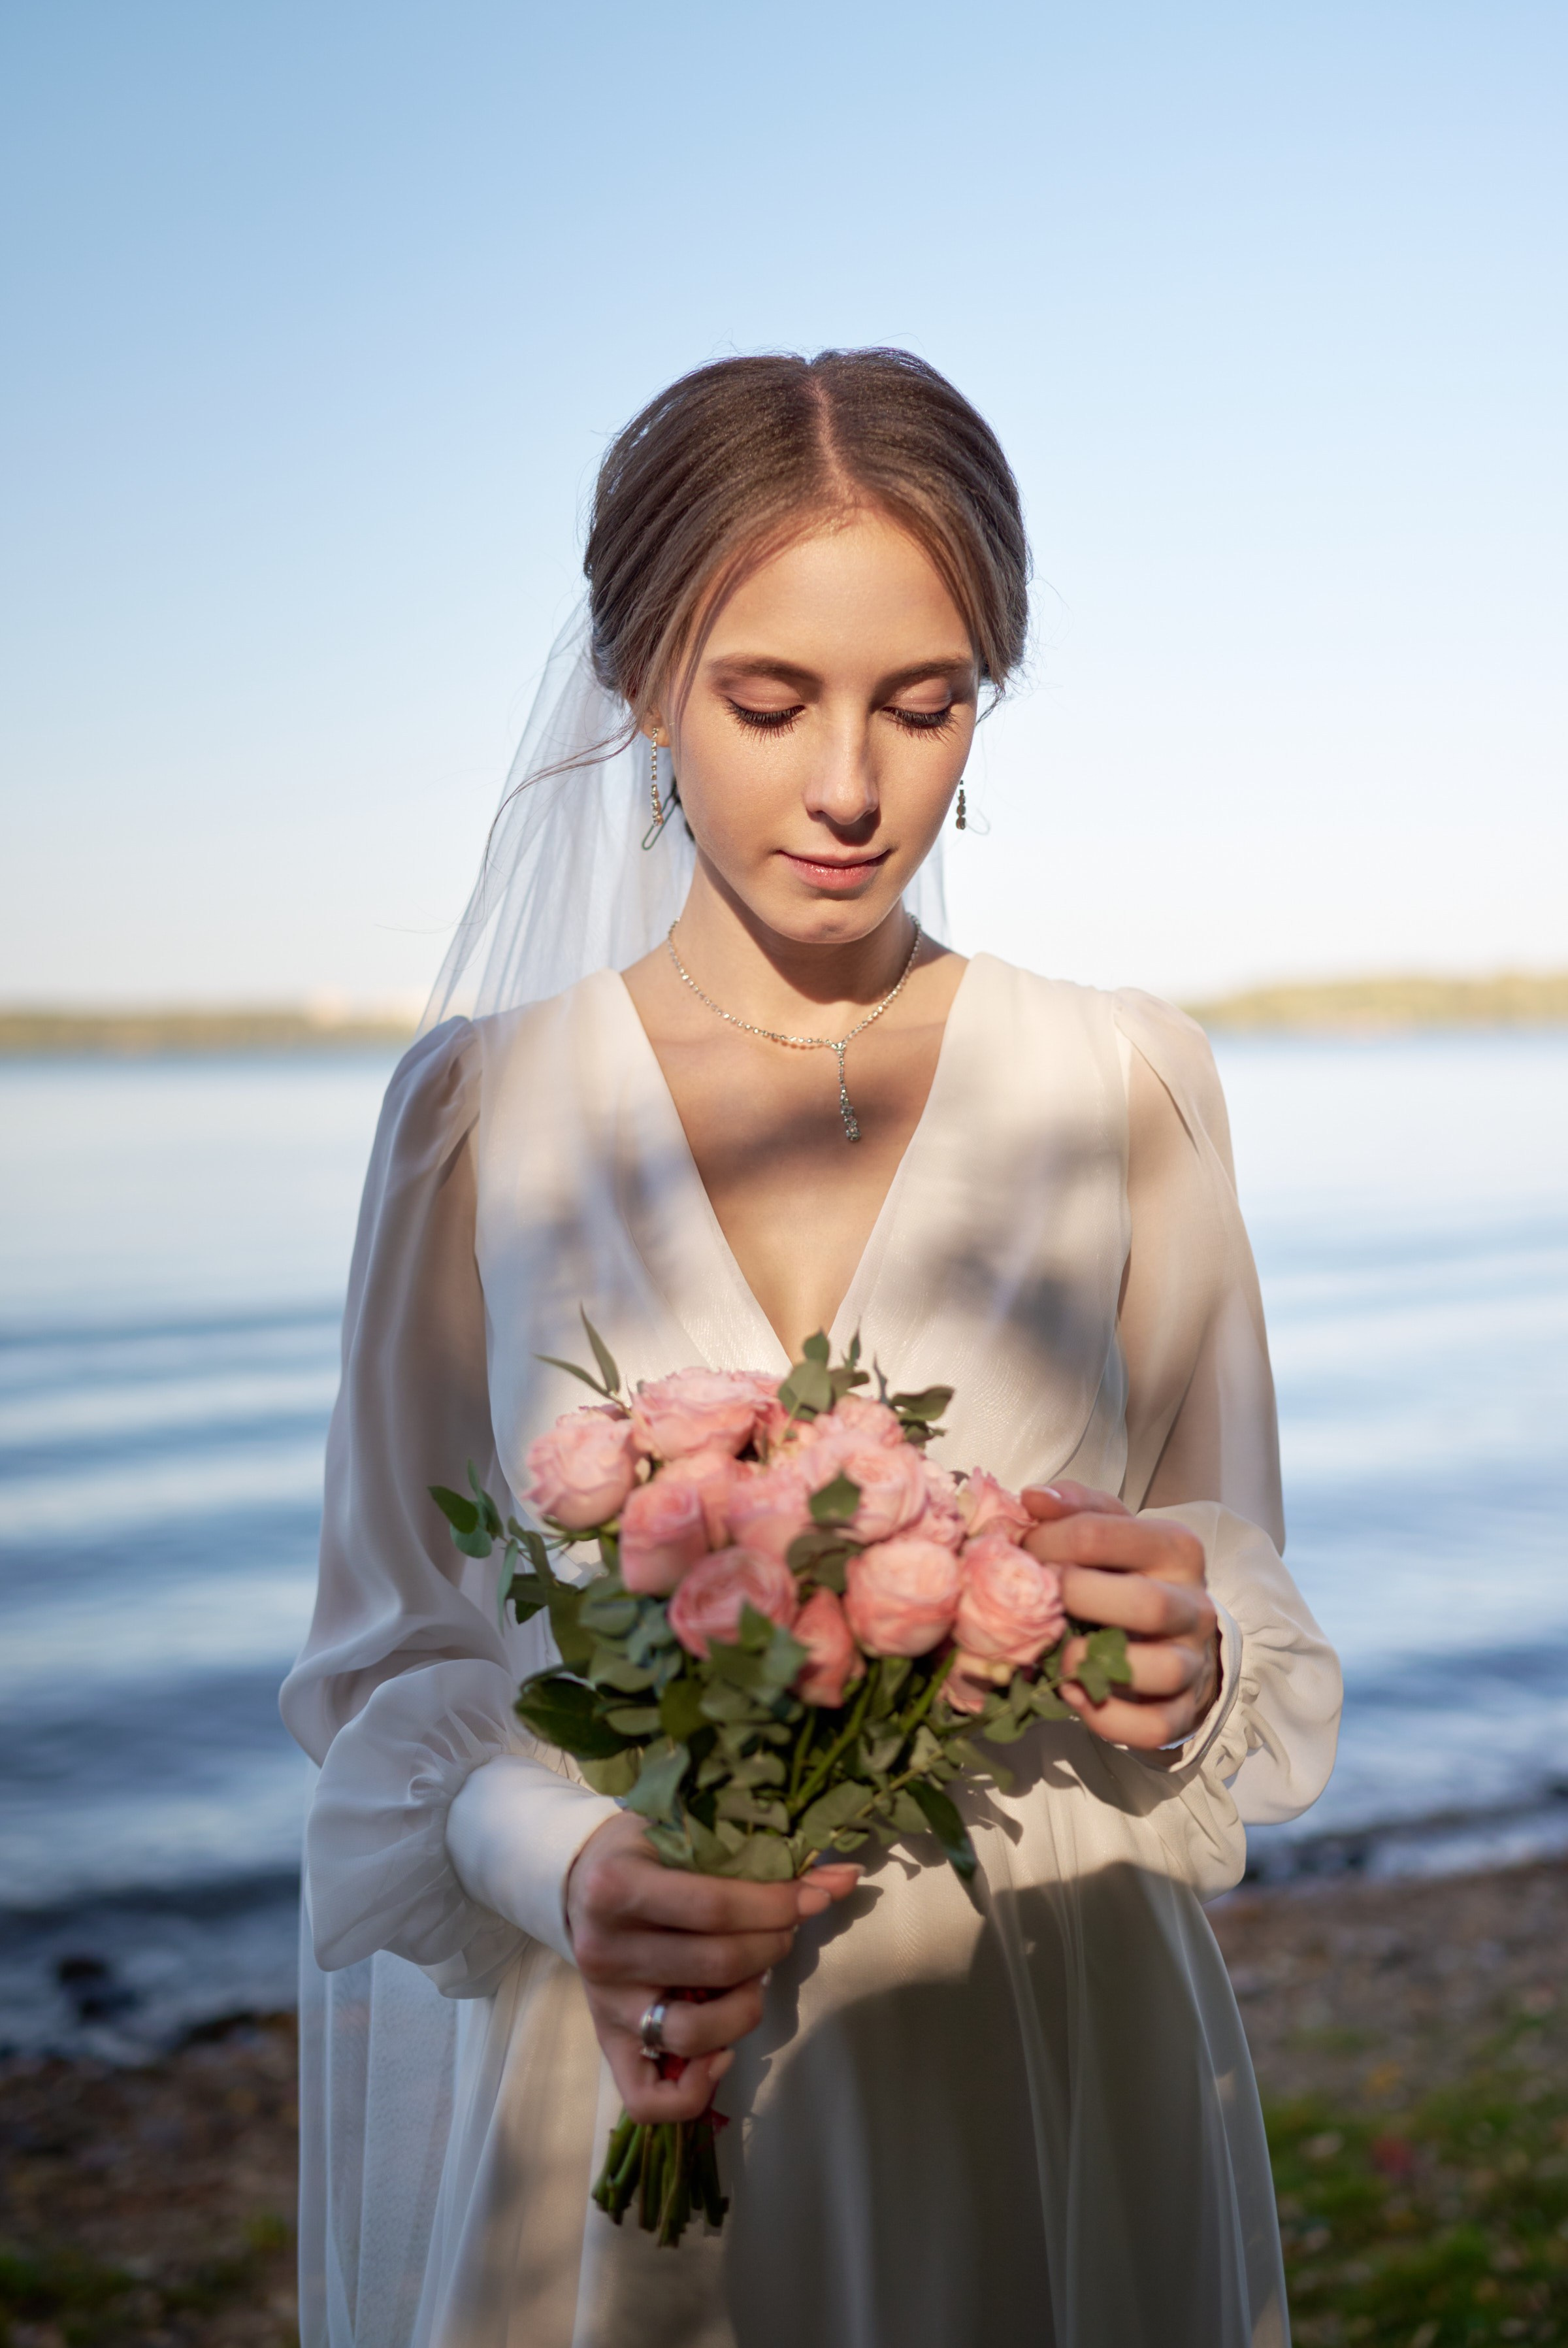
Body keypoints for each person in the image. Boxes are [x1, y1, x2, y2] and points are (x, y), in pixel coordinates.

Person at [280, 348, 1341, 2348]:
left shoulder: (1128, 1084)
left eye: (924, 703)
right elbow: (386, 1663)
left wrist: (1192, 1654)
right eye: (769, 702)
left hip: (1041, 2039)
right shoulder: (480, 1117)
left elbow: (1237, 1580)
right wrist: (570, 1868)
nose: (850, 786)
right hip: (636, 2045)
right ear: (640, 682)